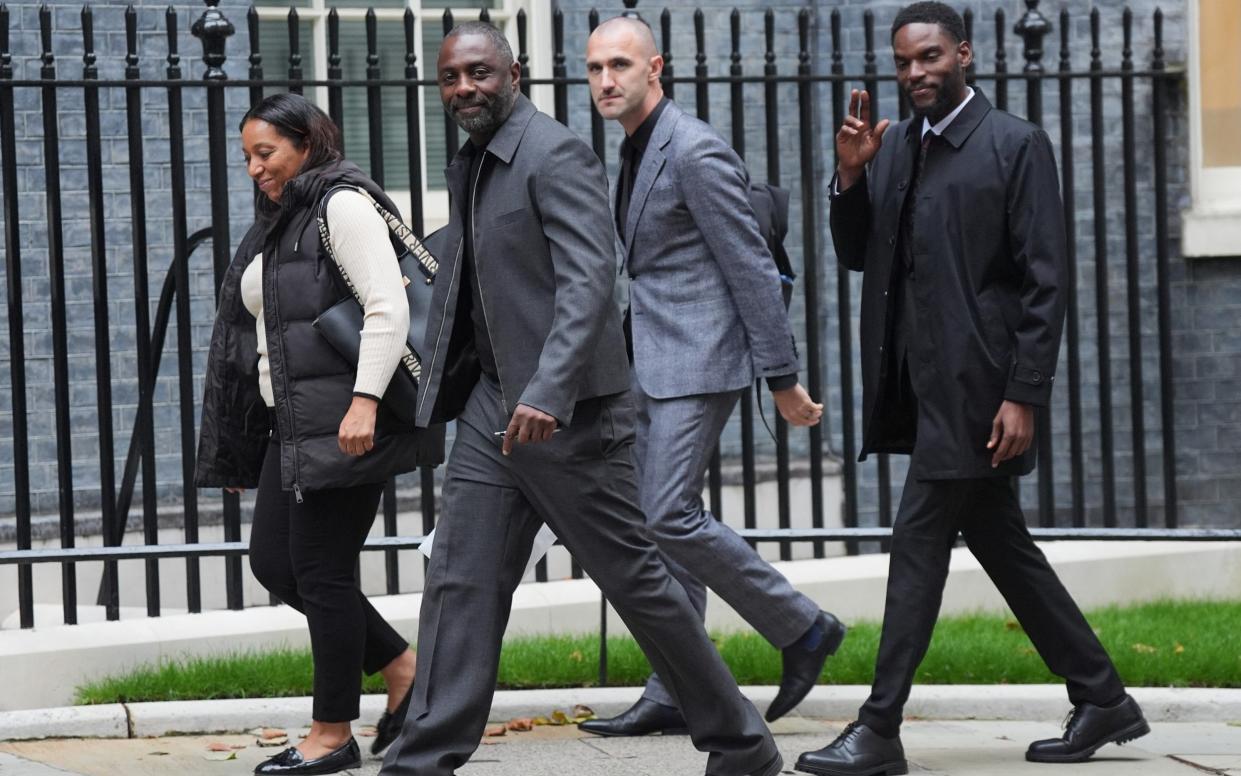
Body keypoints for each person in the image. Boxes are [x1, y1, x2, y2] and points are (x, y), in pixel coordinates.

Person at [378, 21, 782, 776]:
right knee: (460, 577)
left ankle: (741, 743)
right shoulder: (472, 161)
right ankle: (423, 756)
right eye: (450, 78)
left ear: (514, 73)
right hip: (493, 410)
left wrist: (551, 391)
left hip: (568, 418)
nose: (464, 88)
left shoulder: (553, 152)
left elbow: (590, 282)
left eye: (479, 73)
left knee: (638, 583)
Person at [794, 4, 1148, 775]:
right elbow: (859, 255)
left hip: (979, 392)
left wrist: (1023, 392)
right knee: (1000, 542)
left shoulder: (1014, 144)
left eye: (929, 57)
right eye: (902, 62)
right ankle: (1101, 696)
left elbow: (1043, 283)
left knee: (916, 542)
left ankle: (878, 727)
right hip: (917, 389)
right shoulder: (889, 150)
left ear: (964, 54)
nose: (915, 73)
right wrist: (849, 178)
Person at [579, 16, 845, 739]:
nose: (606, 80)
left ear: (654, 68)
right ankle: (675, 686)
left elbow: (751, 268)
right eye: (596, 67)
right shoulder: (637, 148)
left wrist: (781, 376)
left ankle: (802, 627)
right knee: (659, 526)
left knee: (667, 514)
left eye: (620, 66)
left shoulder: (692, 150)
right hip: (656, 357)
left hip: (700, 359)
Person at [195, 93, 444, 775]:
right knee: (275, 563)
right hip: (295, 425)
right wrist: (243, 440)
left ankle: (332, 734)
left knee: (322, 573)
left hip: (343, 421)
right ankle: (400, 666)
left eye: (265, 153)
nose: (253, 168)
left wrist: (364, 401)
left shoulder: (340, 205)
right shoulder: (285, 220)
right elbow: (264, 336)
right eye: (246, 155)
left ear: (307, 144)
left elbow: (387, 307)